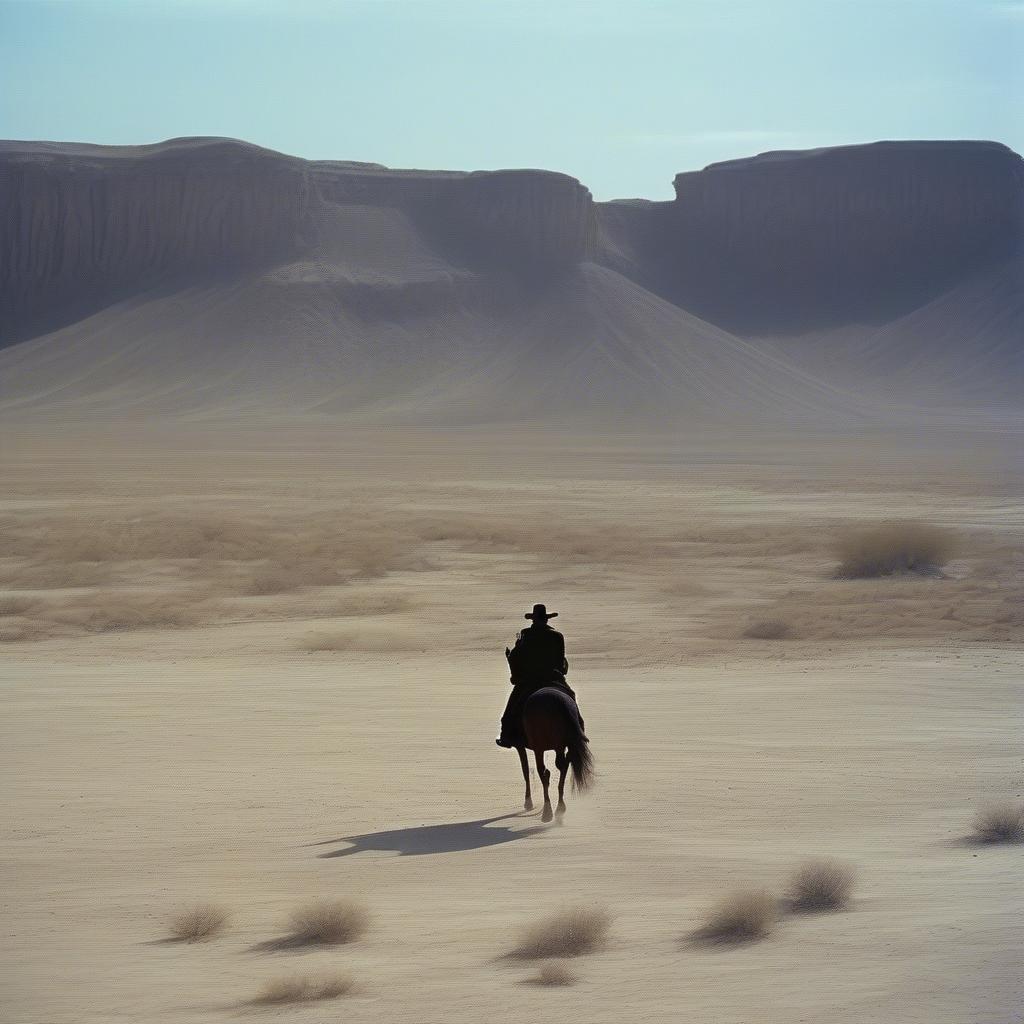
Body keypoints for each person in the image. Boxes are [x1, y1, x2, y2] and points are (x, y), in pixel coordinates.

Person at [495, 603, 586, 748]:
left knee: (511, 708)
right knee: (571, 698)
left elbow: (518, 658)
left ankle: (506, 735)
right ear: (546, 620)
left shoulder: (526, 635)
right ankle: (579, 731)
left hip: (530, 680)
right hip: (554, 679)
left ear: (533, 620)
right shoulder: (557, 636)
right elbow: (561, 664)